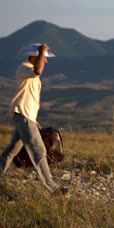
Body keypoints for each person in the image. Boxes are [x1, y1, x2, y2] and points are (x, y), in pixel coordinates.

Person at [0, 43, 67, 196]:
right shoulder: (24, 67)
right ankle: (52, 188)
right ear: (33, 56)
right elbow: (38, 70)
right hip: (23, 116)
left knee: (10, 152)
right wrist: (43, 50)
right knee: (39, 151)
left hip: (25, 116)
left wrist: (33, 119)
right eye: (43, 58)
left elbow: (28, 96)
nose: (46, 61)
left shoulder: (29, 71)